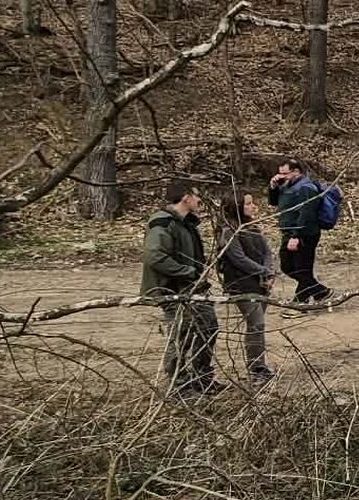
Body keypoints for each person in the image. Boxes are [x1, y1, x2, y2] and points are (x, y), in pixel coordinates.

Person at [142, 179, 218, 400]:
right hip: (172, 291)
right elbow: (154, 256)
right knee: (180, 337)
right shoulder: (162, 223)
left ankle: (202, 378)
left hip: (195, 289)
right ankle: (179, 385)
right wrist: (188, 271)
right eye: (196, 196)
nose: (199, 200)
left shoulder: (187, 223)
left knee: (208, 327)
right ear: (186, 197)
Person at [216, 192, 277, 385]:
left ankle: (260, 365)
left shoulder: (252, 227)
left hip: (261, 282)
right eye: (248, 204)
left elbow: (266, 251)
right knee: (256, 323)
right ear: (237, 207)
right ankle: (257, 368)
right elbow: (238, 259)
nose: (253, 207)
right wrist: (263, 271)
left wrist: (268, 272)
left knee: (258, 325)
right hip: (242, 284)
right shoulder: (228, 231)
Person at [267, 160, 333, 303]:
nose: (281, 176)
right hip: (288, 232)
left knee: (301, 268)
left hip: (305, 234)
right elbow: (274, 202)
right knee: (287, 266)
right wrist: (273, 187)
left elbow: (307, 214)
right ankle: (319, 291)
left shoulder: (306, 188)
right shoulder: (285, 186)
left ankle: (301, 301)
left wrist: (297, 236)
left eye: (285, 173)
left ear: (297, 172)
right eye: (280, 173)